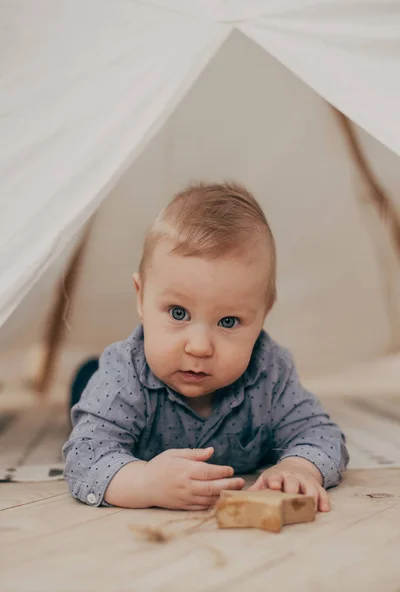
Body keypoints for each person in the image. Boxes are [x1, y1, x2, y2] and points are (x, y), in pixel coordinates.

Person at [62, 182, 349, 511]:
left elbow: (321, 434)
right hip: (102, 383)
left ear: (263, 315)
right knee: (87, 387)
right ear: (141, 297)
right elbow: (84, 455)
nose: (199, 348)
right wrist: (144, 482)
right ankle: (85, 374)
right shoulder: (124, 374)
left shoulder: (271, 372)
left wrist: (298, 467)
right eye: (178, 313)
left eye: (228, 322)